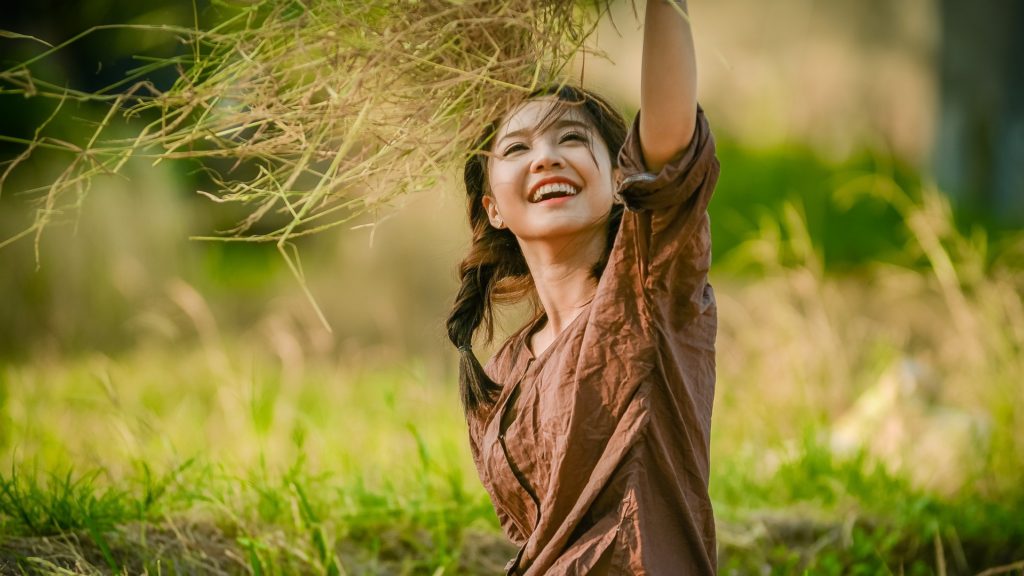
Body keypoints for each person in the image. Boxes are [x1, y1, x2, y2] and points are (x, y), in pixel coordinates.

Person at [446, 0, 719, 573]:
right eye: (518, 148)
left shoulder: (648, 292)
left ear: (619, 178)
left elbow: (671, 141)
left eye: (570, 139)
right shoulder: (498, 374)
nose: (545, 158)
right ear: (494, 208)